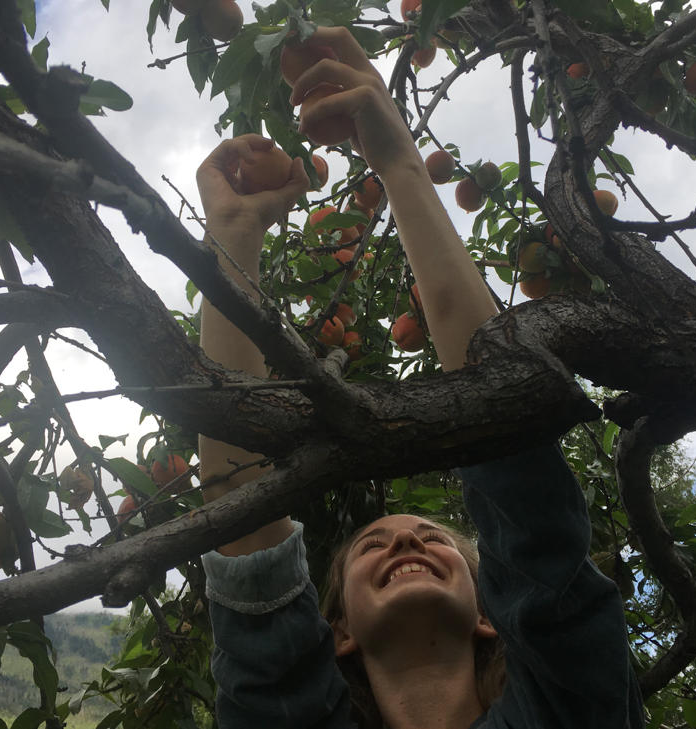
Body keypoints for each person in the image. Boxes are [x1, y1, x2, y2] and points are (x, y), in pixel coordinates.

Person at [194, 26, 645, 729]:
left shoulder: (567, 703)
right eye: (376, 545)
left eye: (433, 540)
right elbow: (509, 446)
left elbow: (503, 443)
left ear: (490, 615)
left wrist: (398, 159)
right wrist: (233, 234)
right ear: (339, 630)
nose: (405, 540)